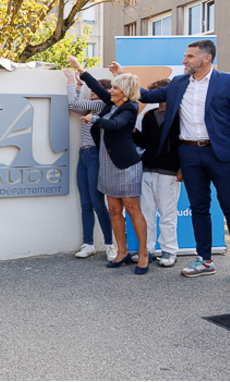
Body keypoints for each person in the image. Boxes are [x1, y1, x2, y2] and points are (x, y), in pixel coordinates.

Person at [111, 40, 230, 283]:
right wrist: (122, 77)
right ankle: (205, 260)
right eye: (185, 56)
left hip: (223, 154)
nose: (184, 60)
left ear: (206, 58)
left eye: (189, 56)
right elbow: (147, 95)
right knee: (199, 208)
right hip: (189, 154)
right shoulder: (179, 83)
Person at [67, 55, 151, 275]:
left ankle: (143, 253)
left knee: (133, 210)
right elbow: (96, 86)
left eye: (115, 88)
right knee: (114, 210)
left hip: (125, 166)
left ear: (125, 90)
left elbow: (115, 125)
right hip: (106, 164)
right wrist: (80, 69)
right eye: (111, 88)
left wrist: (93, 119)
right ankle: (121, 252)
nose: (111, 91)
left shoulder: (130, 108)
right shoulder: (110, 103)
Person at [62, 68, 117, 261]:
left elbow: (72, 102)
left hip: (95, 156)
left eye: (97, 88)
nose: (93, 91)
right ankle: (88, 244)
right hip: (83, 155)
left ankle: (110, 245)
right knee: (85, 203)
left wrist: (70, 79)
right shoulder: (90, 107)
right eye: (92, 88)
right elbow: (74, 106)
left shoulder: (103, 104)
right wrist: (77, 86)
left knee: (97, 202)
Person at [132, 78, 182, 267]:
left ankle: (170, 251)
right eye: (156, 91)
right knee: (146, 212)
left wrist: (182, 167)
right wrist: (133, 131)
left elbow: (183, 144)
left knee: (168, 213)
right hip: (147, 169)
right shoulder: (149, 115)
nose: (159, 95)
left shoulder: (180, 114)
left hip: (169, 170)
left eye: (162, 91)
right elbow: (144, 143)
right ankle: (147, 250)